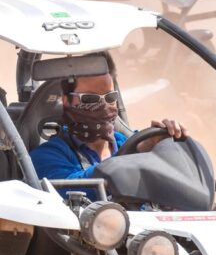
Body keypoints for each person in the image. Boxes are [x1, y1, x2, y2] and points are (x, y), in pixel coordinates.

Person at [30, 72, 186, 185]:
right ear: (67, 101)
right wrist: (135, 155)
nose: (104, 106)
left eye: (110, 97)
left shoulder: (137, 142)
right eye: (90, 98)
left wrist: (172, 144)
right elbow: (73, 188)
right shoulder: (46, 156)